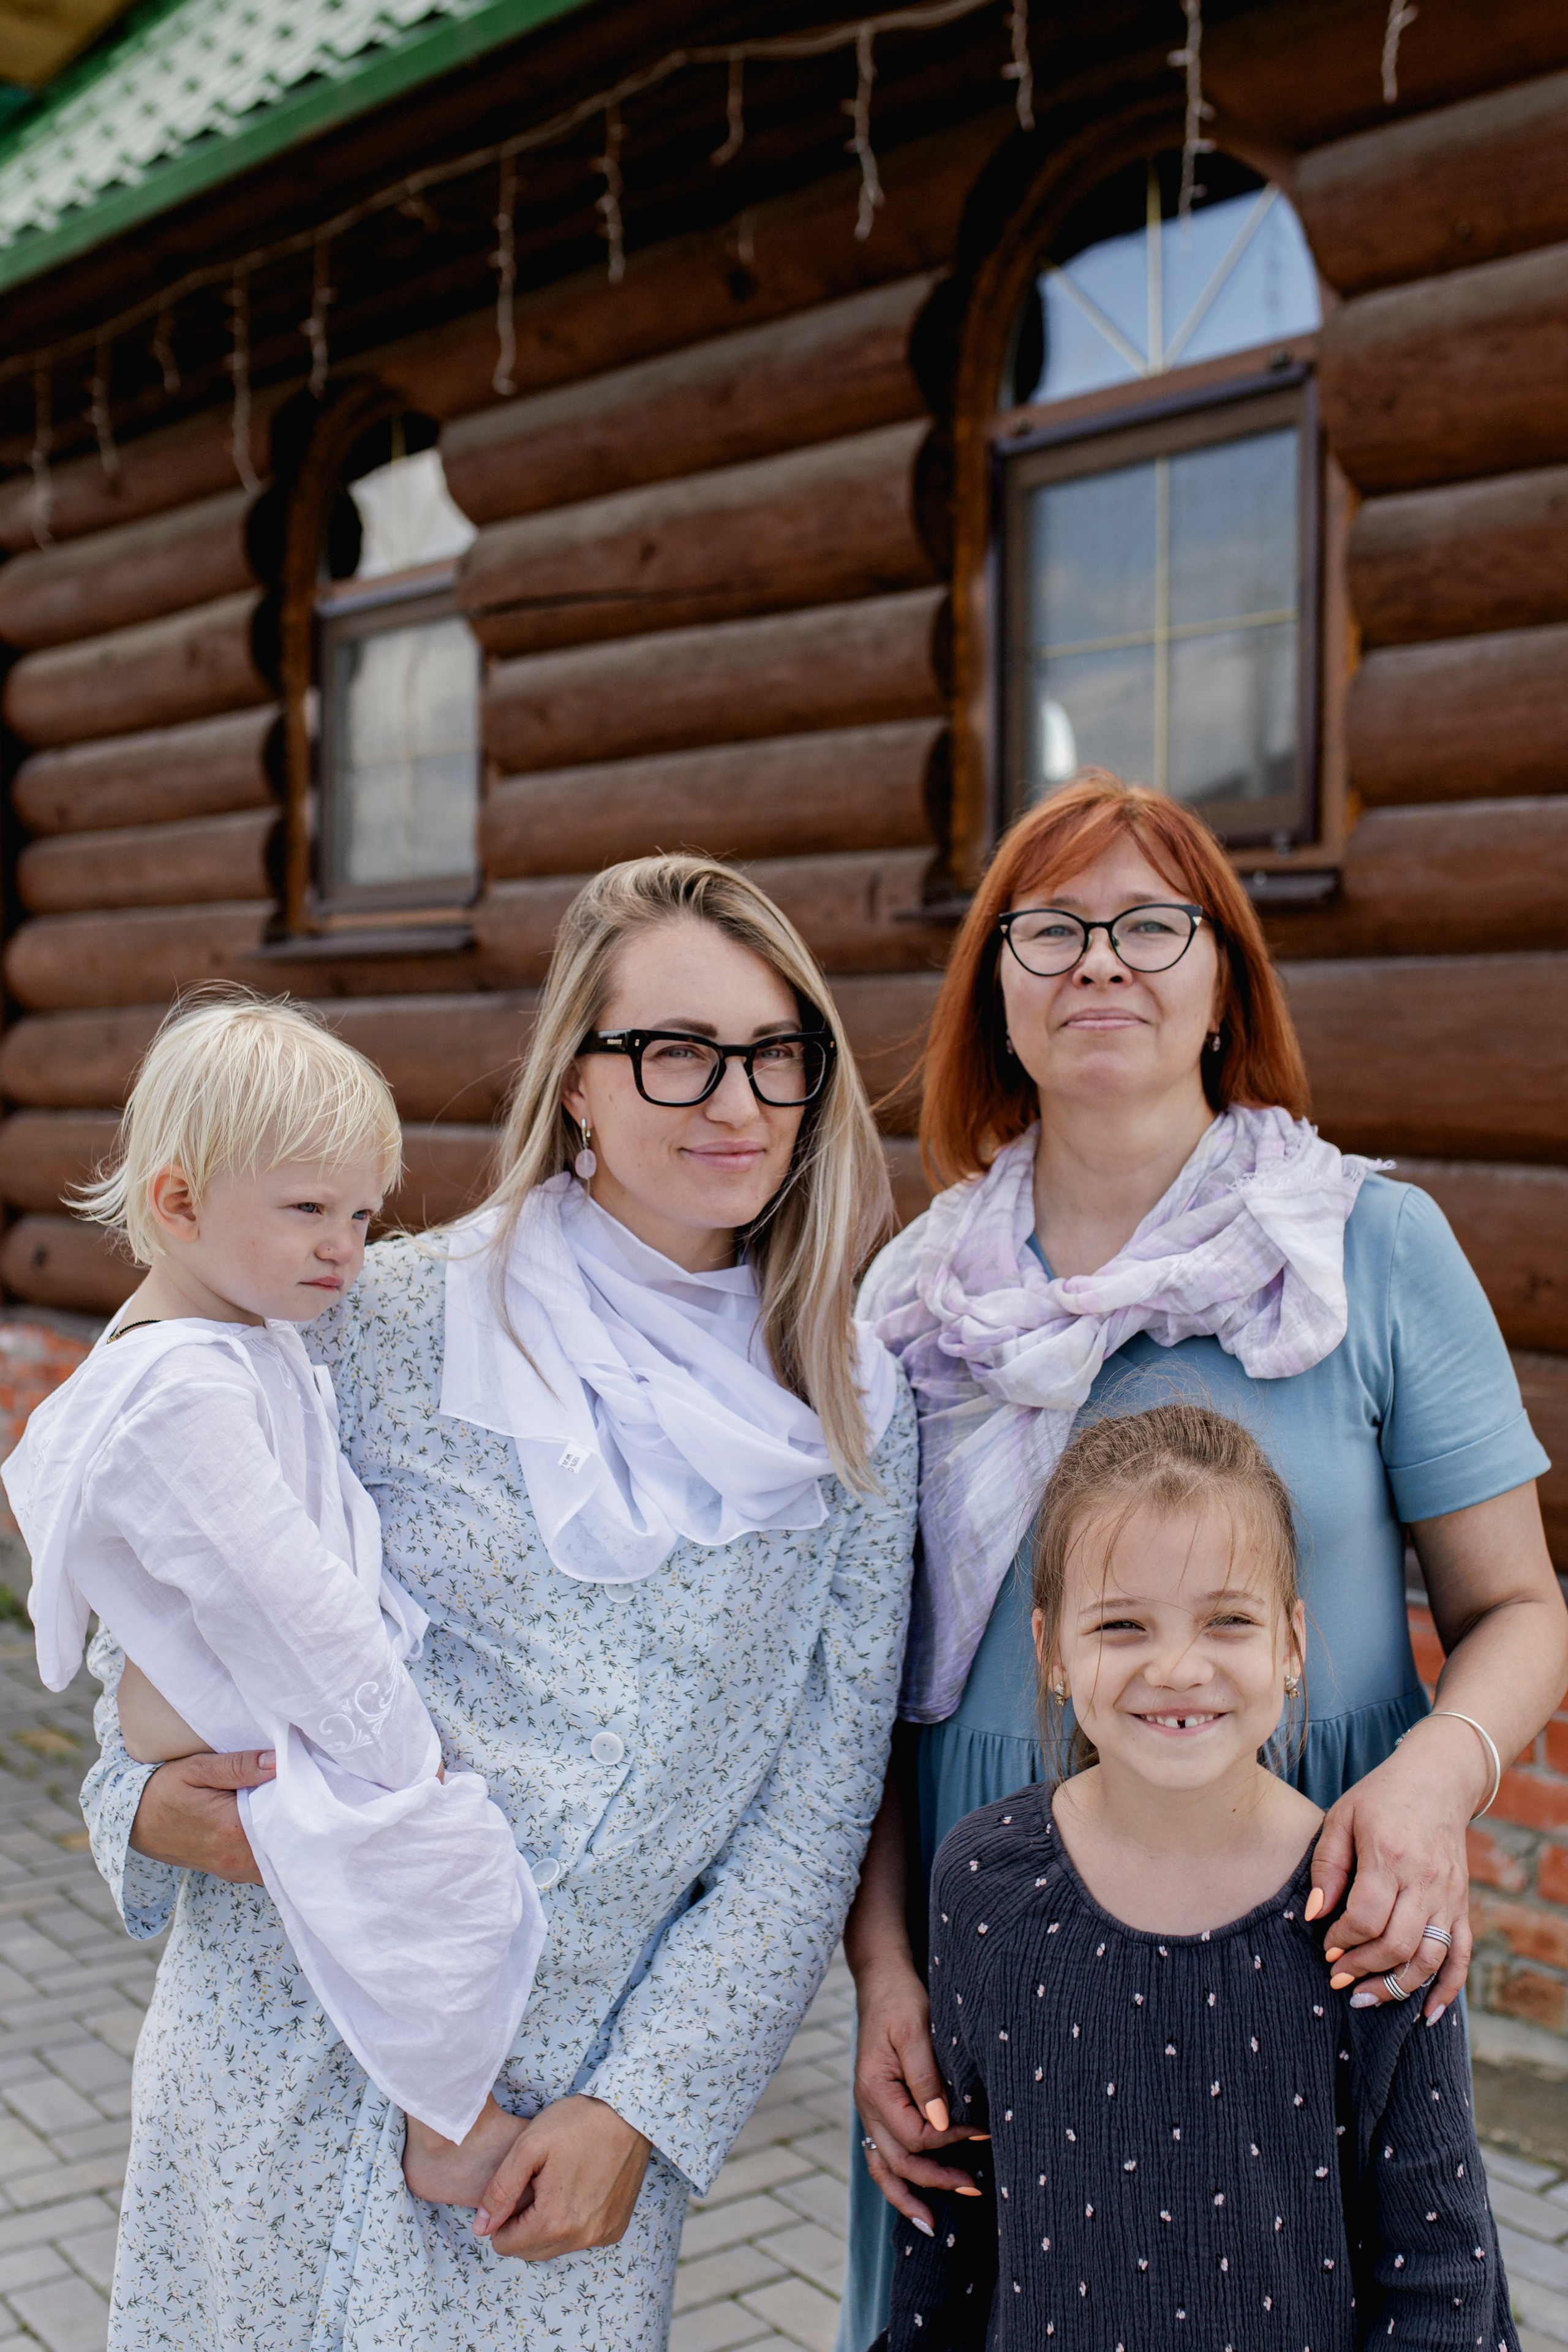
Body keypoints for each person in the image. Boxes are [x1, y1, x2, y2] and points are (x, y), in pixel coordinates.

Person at [74, 857, 918, 2351]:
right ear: (576, 1084)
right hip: (271, 2077)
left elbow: (816, 1797)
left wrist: (644, 2110)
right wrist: (137, 1801)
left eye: (773, 1055)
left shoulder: (854, 1402)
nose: (733, 1101)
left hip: (545, 2154)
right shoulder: (381, 1312)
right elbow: (173, 1564)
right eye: (672, 1051)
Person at [837, 772, 1566, 2351]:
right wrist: (885, 1966)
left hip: (1306, 1935)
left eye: (1150, 923)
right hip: (1004, 1962)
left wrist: (1435, 1784)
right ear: (995, 996)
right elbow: (865, 1698)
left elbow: (1517, 1607)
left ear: (1223, 980)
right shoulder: (912, 1304)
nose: (1099, 960)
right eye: (1049, 929)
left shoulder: (1362, 1246)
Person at [3, 993, 546, 2203]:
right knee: (436, 1872)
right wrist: (403, 1760)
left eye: (360, 1213)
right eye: (306, 1209)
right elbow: (283, 1603)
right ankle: (448, 2127)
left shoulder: (240, 1340)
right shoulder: (183, 1393)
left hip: (267, 1704)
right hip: (261, 1716)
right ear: (180, 1204)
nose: (344, 1247)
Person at [876, 1403, 1520, 2352]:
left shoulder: (1369, 1907)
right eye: (1123, 1625)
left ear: (1292, 1644)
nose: (1178, 1667)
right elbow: (950, 2226)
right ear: (1053, 1650)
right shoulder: (983, 1883)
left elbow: (1441, 2272)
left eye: (1228, 1620)